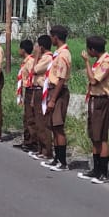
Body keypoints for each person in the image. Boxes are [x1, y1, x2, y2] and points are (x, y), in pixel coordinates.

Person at [80, 35, 109, 183]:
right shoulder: (99, 61)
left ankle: (103, 172)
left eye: (89, 50)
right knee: (94, 136)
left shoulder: (106, 63)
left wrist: (87, 62)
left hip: (101, 100)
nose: (88, 52)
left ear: (93, 49)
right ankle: (96, 170)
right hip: (94, 100)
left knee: (102, 137)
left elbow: (94, 80)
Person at [41, 25, 72, 170]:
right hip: (53, 90)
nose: (51, 39)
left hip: (58, 92)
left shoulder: (64, 55)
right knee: (53, 126)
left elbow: (61, 79)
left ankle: (62, 161)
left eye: (52, 36)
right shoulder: (57, 53)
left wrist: (53, 99)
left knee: (58, 127)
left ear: (56, 37)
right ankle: (56, 158)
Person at [30, 34, 54, 160]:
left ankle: (46, 150)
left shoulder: (47, 58)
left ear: (42, 47)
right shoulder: (43, 57)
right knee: (38, 121)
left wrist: (36, 56)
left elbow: (34, 70)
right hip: (37, 89)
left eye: (38, 46)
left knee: (42, 122)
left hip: (43, 90)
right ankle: (41, 148)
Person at [14, 38, 36, 151]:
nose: (19, 51)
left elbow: (32, 78)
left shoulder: (30, 61)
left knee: (30, 118)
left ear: (23, 50)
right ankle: (27, 140)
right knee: (26, 117)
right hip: (26, 90)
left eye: (20, 49)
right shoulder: (26, 61)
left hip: (30, 90)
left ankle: (32, 142)